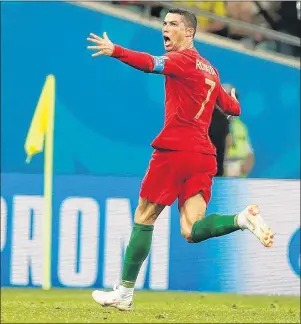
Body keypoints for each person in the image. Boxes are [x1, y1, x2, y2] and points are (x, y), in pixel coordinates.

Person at [87, 8, 274, 311]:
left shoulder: (181, 61)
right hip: (203, 156)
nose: (165, 28)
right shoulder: (211, 70)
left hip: (175, 151)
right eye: (164, 23)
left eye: (173, 24)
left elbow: (150, 64)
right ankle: (241, 219)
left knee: (144, 217)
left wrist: (115, 50)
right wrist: (236, 102)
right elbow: (230, 107)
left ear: (189, 32)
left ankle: (124, 292)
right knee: (191, 229)